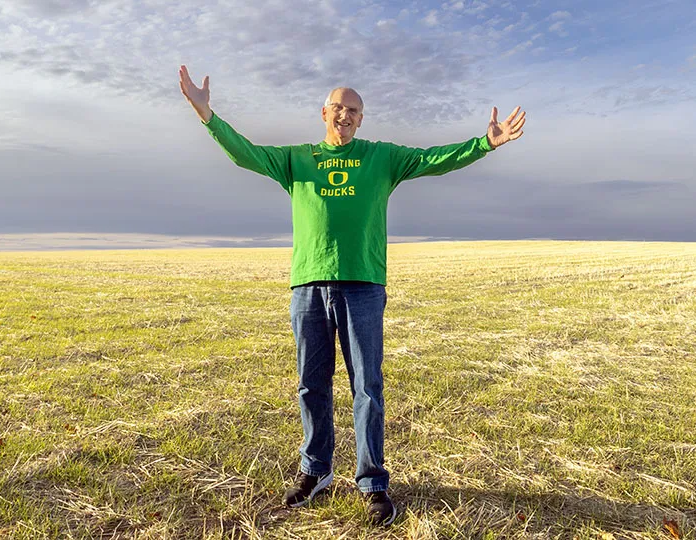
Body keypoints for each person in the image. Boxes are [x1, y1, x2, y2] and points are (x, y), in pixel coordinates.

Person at [178, 64, 526, 526]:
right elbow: (246, 154)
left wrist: (485, 142)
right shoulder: (296, 160)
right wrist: (208, 116)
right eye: (338, 107)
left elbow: (433, 159)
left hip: (363, 285)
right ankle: (315, 470)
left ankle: (372, 481)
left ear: (362, 120)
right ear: (323, 112)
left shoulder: (381, 157)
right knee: (311, 384)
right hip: (308, 285)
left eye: (354, 111)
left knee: (368, 387)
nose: (344, 115)